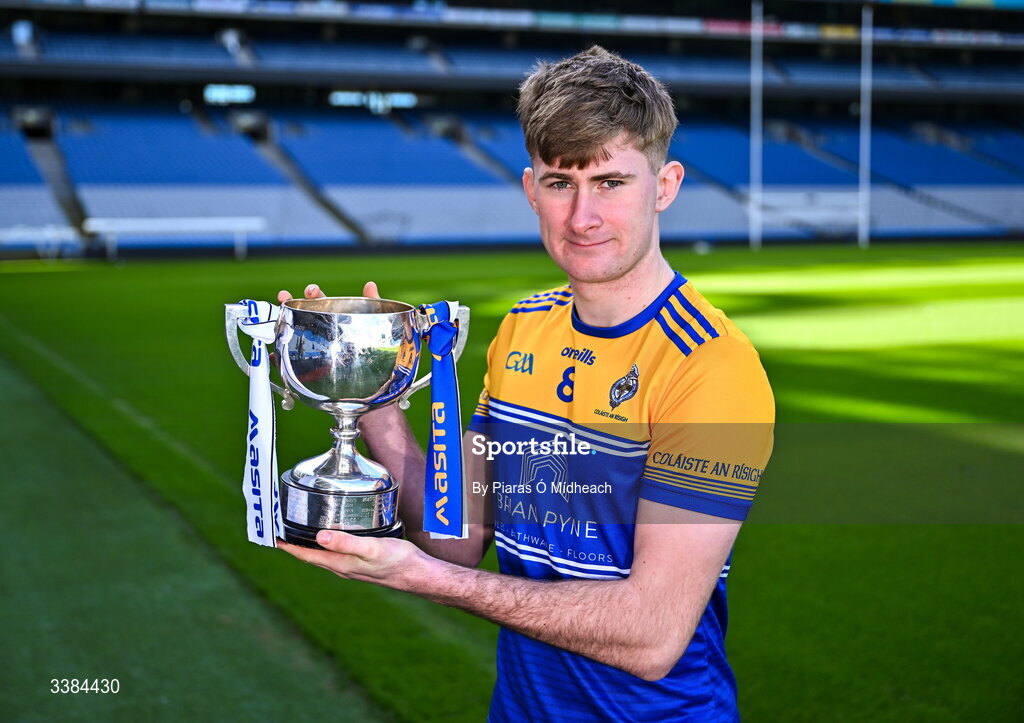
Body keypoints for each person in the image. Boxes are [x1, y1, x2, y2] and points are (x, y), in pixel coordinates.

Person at [278, 46, 774, 722]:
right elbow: (462, 528)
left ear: (666, 185)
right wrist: (373, 403)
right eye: (559, 182)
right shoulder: (523, 329)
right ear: (529, 188)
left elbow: (653, 632)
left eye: (611, 182)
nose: (581, 217)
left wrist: (434, 582)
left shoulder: (710, 367)